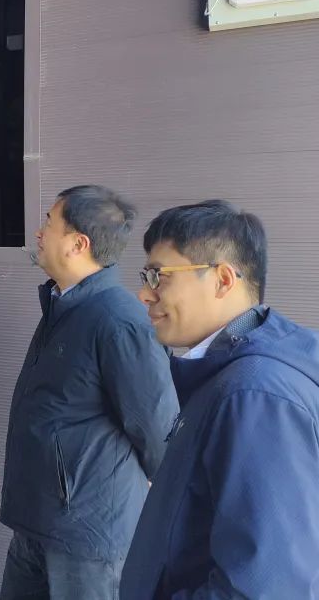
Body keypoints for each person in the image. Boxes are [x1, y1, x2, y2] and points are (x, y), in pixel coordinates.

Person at [121, 200, 319, 599]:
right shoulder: (227, 375)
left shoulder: (254, 395)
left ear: (223, 280)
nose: (144, 293)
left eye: (158, 276)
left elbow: (268, 586)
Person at [0, 185, 178, 599]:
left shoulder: (117, 320)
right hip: (37, 521)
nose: (39, 232)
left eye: (49, 222)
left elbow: (158, 428)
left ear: (78, 243)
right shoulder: (62, 306)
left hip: (87, 539)